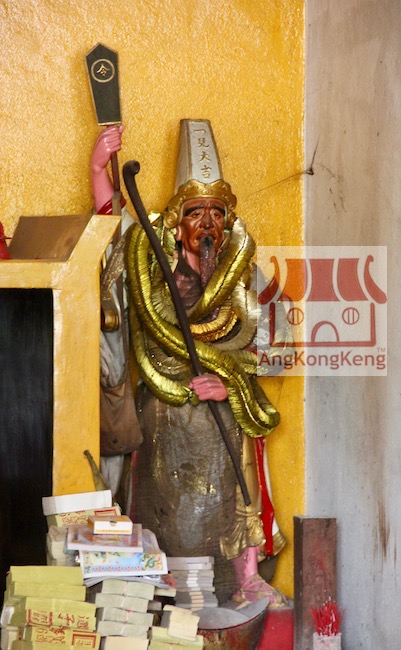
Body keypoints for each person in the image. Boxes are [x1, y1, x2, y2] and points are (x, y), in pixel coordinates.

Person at [91, 119, 287, 606]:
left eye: (217, 212)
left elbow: (278, 347)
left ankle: (244, 575)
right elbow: (115, 228)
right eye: (196, 212)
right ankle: (152, 575)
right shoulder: (152, 260)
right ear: (177, 222)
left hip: (224, 412)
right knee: (154, 497)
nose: (207, 223)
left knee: (237, 486)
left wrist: (230, 384)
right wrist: (98, 168)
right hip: (163, 405)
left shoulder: (243, 275)